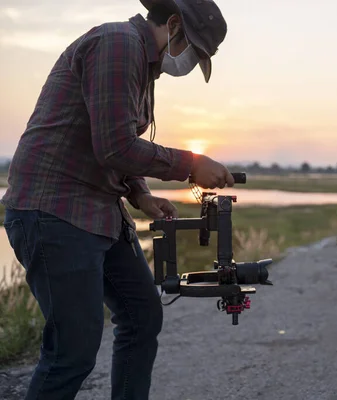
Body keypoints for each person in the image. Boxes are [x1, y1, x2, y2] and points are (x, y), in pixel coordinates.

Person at [1, 0, 234, 398]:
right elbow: (115, 146)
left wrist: (141, 194)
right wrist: (191, 164)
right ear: (173, 24)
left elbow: (116, 140)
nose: (188, 64)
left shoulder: (143, 64)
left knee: (142, 316)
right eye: (193, 52)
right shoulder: (118, 44)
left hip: (96, 211)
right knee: (72, 352)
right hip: (54, 210)